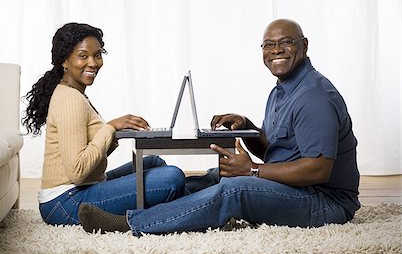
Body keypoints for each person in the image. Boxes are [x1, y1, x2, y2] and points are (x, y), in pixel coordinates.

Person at [77, 18, 361, 235]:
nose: (276, 50)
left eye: (285, 42)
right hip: (296, 188)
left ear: (304, 45)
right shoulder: (282, 91)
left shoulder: (313, 97)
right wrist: (246, 126)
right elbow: (276, 151)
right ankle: (152, 211)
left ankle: (130, 224)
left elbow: (317, 169)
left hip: (325, 202)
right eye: (269, 45)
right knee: (217, 176)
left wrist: (250, 170)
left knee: (235, 189)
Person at [22, 22, 186, 226]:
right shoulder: (70, 100)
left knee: (153, 163)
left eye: (97, 55)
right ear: (64, 60)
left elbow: (89, 155)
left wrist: (117, 132)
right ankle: (200, 199)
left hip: (78, 190)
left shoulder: (73, 93)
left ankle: (199, 195)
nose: (93, 63)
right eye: (83, 56)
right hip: (66, 203)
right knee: (171, 178)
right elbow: (78, 171)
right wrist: (109, 128)